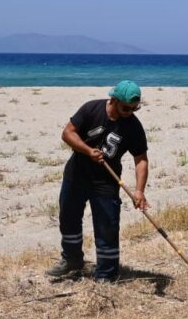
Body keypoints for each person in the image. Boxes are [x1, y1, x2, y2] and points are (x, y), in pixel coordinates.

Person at [46, 80, 149, 282]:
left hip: (106, 182)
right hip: (76, 175)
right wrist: (87, 151)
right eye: (126, 107)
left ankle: (106, 275)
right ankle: (72, 261)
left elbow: (141, 159)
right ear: (114, 99)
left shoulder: (134, 126)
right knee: (69, 219)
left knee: (107, 227)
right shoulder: (91, 109)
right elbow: (67, 133)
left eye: (135, 108)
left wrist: (139, 191)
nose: (130, 112)